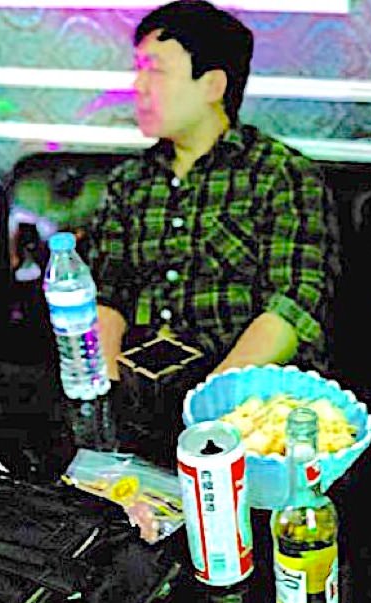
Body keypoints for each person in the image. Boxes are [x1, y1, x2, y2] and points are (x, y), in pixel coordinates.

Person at [84, 0, 341, 378]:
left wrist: (211, 396)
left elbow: (294, 304)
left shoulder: (280, 174)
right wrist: (103, 386)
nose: (138, 86)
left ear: (213, 86)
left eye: (156, 71)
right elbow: (106, 292)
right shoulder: (129, 182)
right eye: (138, 70)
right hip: (142, 381)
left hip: (243, 383)